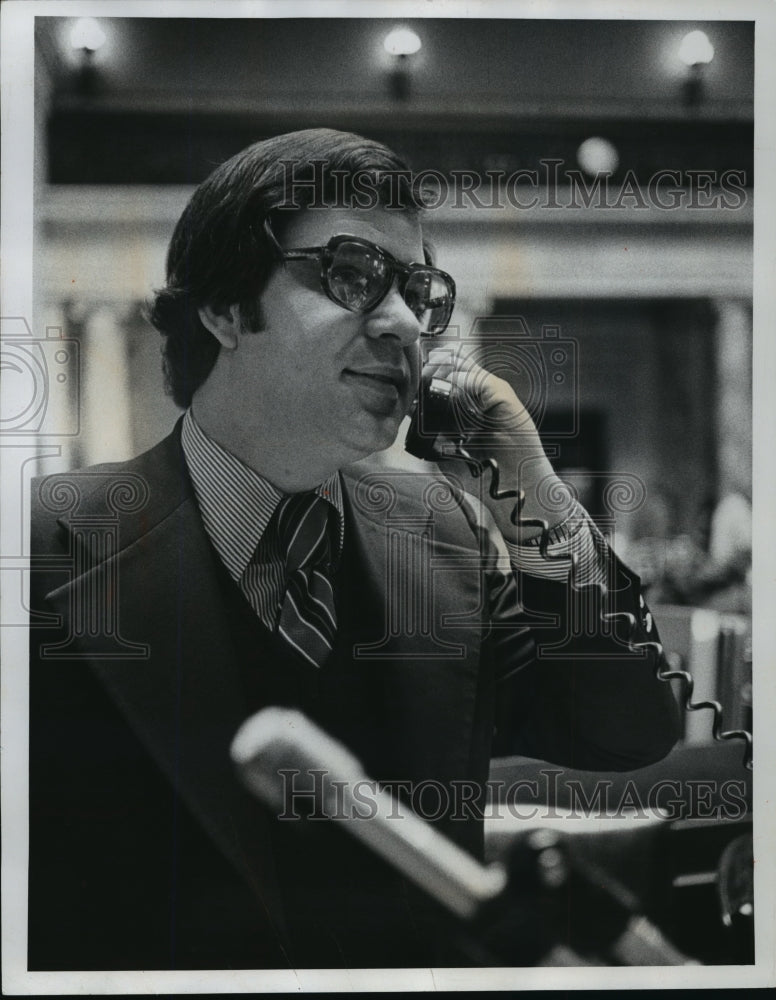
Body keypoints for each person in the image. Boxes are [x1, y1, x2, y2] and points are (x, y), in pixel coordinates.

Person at [28, 128, 681, 971]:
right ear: (226, 307)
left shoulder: (444, 530)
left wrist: (534, 488)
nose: (406, 322)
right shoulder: (47, 547)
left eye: (418, 289)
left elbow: (626, 729)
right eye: (353, 275)